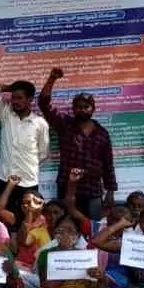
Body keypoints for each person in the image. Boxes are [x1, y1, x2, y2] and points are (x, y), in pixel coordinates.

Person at [39, 68, 116, 220]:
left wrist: (111, 192)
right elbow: (43, 103)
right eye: (78, 107)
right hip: (67, 187)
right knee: (65, 225)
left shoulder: (102, 133)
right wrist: (52, 79)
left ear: (93, 109)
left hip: (92, 189)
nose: (82, 110)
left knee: (93, 227)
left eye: (86, 107)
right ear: (73, 109)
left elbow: (108, 165)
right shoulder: (64, 125)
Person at [0, 79, 49, 226]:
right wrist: (10, 87)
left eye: (20, 98)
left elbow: (43, 154)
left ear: (30, 100)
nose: (15, 101)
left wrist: (25, 165)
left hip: (28, 181)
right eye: (13, 97)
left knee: (28, 221)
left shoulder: (40, 124)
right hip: (4, 178)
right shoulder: (6, 114)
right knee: (3, 219)